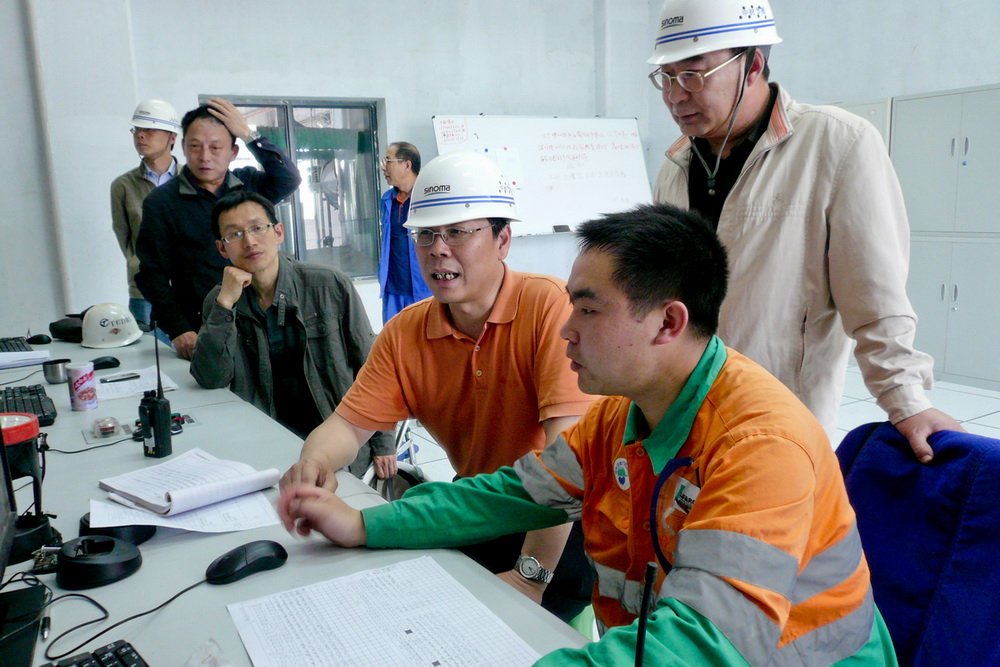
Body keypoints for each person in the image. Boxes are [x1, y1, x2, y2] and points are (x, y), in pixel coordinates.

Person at [279, 203, 897, 665]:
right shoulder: (619, 418)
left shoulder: (758, 444)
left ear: (668, 322)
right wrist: (364, 525)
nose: (567, 329)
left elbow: (706, 645)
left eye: (589, 309)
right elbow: (507, 494)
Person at [279, 151, 596, 622]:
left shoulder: (549, 309)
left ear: (503, 239)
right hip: (477, 505)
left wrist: (531, 576)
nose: (438, 249)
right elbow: (347, 426)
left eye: (458, 232)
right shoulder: (406, 332)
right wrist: (314, 463)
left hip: (562, 526)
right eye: (425, 234)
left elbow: (567, 467)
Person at [648, 0, 961, 462]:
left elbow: (874, 294)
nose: (675, 96)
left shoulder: (837, 143)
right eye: (667, 76)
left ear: (753, 65)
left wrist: (906, 401)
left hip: (777, 411)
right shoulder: (675, 164)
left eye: (693, 74)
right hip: (679, 406)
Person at [190, 191, 394, 475]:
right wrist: (225, 305)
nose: (249, 241)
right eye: (234, 234)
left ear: (278, 232)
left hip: (334, 437)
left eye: (257, 228)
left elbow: (371, 366)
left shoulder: (328, 285)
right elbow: (210, 377)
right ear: (222, 248)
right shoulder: (220, 299)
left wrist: (384, 443)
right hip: (262, 441)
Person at [135, 98, 301, 360]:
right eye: (195, 146)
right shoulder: (162, 202)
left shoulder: (249, 185)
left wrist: (247, 134)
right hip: (204, 325)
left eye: (215, 147)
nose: (205, 157)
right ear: (184, 147)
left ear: (233, 152)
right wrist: (179, 330)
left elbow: (288, 178)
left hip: (265, 317)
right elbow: (151, 274)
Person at [110, 98, 180, 329]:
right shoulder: (123, 186)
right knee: (150, 349)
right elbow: (124, 236)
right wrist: (137, 264)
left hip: (189, 287)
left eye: (149, 129)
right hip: (145, 291)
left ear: (172, 137)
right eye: (137, 129)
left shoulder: (192, 180)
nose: (140, 135)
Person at [377, 141, 431, 323]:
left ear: (407, 165)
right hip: (393, 289)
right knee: (394, 337)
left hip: (424, 288)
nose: (383, 167)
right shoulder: (387, 199)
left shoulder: (428, 198)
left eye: (388, 161)